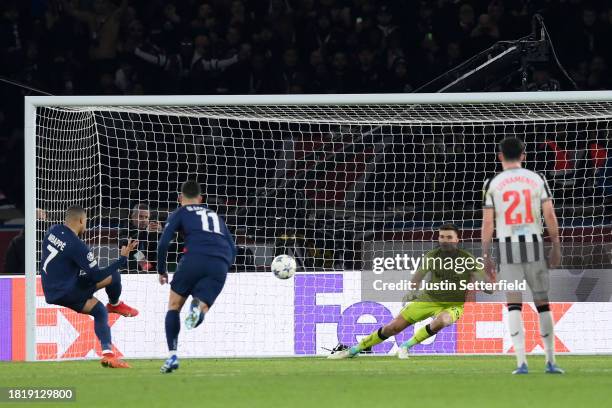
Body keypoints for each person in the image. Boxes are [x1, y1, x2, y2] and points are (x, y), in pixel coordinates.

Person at [328, 224, 490, 360]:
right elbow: (417, 278)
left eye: (449, 237)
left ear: (456, 240)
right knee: (392, 328)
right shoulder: (432, 256)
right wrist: (412, 292)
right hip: (427, 300)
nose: (445, 241)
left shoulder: (468, 259)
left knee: (443, 320)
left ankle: (405, 346)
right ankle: (353, 350)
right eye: (442, 237)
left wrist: (489, 283)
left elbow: (487, 287)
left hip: (453, 305)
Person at [481, 137, 564, 374]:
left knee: (514, 305)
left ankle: (521, 363)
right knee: (543, 303)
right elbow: (549, 214)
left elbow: (488, 223)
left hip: (508, 247)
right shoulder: (537, 179)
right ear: (523, 156)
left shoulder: (493, 183)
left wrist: (486, 255)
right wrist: (556, 245)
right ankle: (550, 361)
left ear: (500, 156)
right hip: (534, 244)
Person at [40, 205, 139, 368]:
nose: (85, 225)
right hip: (68, 290)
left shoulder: (53, 230)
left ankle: (108, 355)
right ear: (80, 220)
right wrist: (122, 259)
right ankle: (115, 304)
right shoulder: (77, 245)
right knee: (113, 276)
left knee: (99, 310)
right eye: (85, 221)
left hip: (51, 291)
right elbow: (97, 276)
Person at [157, 181, 237, 373]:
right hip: (220, 262)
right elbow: (233, 247)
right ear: (201, 199)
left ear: (180, 199)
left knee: (174, 307)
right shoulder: (215, 215)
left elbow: (163, 242)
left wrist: (161, 269)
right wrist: (223, 266)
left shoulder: (180, 213)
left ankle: (172, 356)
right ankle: (199, 308)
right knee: (204, 305)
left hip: (193, 258)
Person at [121, 203, 162, 272]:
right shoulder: (124, 232)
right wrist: (145, 232)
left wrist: (160, 232)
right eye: (141, 216)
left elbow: (154, 252)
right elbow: (129, 245)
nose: (144, 220)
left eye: (146, 217)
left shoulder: (150, 232)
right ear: (133, 216)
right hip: (128, 274)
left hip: (149, 273)